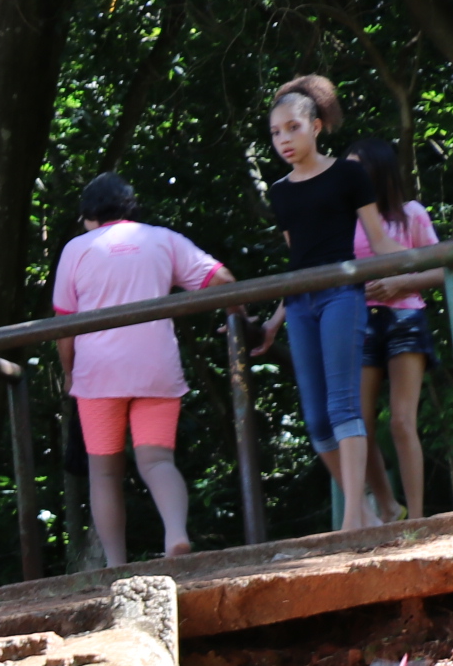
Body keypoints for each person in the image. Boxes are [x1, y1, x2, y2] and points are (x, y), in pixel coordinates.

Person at [47, 173, 230, 566]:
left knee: (105, 474)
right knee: (158, 461)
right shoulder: (161, 239)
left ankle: (115, 564)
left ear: (88, 216)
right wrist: (236, 317)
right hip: (155, 367)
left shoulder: (77, 248)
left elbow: (63, 323)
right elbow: (221, 279)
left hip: (98, 374)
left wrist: (68, 371)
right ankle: (177, 535)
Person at [262, 75, 407, 532]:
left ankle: (351, 522)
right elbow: (297, 258)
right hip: (302, 303)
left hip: (343, 293)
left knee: (345, 405)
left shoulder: (348, 174)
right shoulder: (280, 191)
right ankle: (362, 510)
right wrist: (274, 319)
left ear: (316, 127)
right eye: (275, 132)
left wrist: (435, 260)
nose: (284, 139)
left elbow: (379, 240)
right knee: (316, 419)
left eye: (292, 128)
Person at [352, 139, 448, 524]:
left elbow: (442, 268)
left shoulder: (410, 214)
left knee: (401, 420)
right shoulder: (343, 219)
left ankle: (418, 520)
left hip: (405, 317)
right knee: (359, 423)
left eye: (357, 167)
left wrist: (400, 284)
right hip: (360, 321)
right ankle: (388, 506)